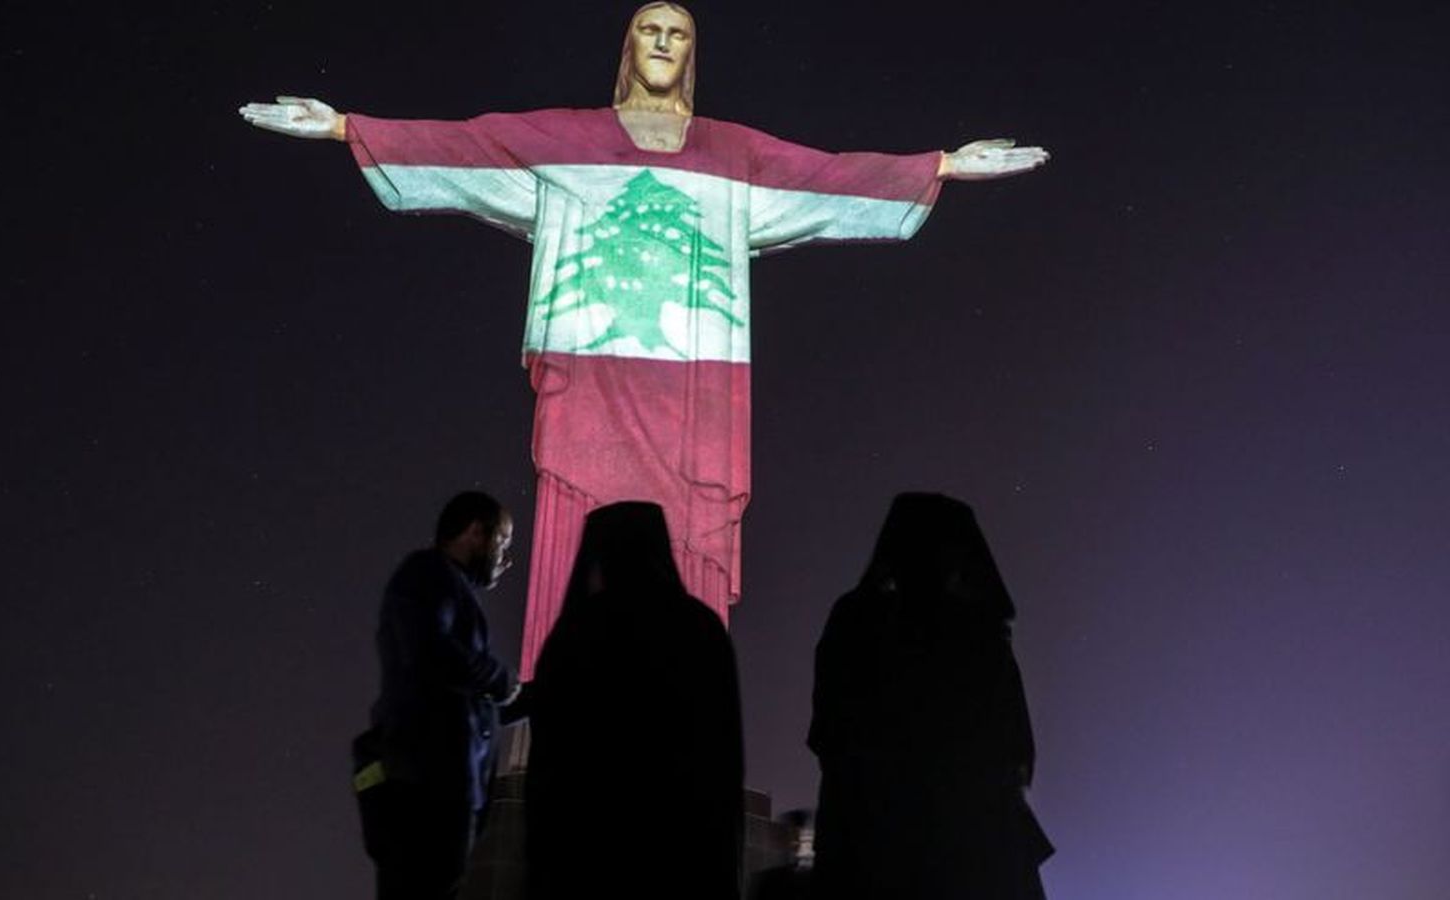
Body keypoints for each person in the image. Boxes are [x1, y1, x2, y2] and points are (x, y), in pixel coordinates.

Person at [240, 3, 1050, 678]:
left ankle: (683, 699)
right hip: (594, 380)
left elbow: (829, 176)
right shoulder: (565, 139)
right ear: (628, 46)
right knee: (582, 521)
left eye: (679, 33)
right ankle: (560, 699)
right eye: (649, 30)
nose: (664, 43)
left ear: (692, 53)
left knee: (681, 541)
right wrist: (347, 126)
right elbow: (465, 145)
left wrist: (939, 165)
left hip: (693, 393)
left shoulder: (732, 155)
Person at [808, 493, 1053, 898]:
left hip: (872, 844)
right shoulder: (979, 636)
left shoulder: (858, 620)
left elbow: (828, 733)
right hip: (969, 850)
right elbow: (1016, 750)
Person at [523, 501, 744, 900]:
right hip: (682, 849)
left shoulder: (575, 634)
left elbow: (549, 762)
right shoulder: (700, 629)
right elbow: (724, 759)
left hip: (589, 853)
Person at [354, 491, 522, 899]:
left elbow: (463, 692)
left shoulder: (441, 583)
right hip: (426, 786)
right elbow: (430, 650)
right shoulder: (428, 574)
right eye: (501, 543)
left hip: (441, 788)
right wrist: (499, 680)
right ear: (475, 532)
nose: (503, 559)